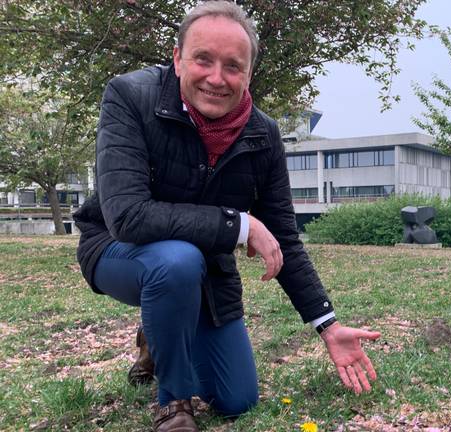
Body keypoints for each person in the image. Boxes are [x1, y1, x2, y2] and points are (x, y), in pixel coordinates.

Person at [73, 2, 380, 431]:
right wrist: (241, 224)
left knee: (236, 399)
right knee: (177, 261)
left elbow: (285, 239)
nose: (217, 78)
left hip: (205, 270)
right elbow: (128, 216)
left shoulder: (263, 134)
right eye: (203, 59)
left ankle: (157, 341)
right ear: (178, 57)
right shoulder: (129, 96)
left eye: (233, 66)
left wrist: (327, 325)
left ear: (249, 73)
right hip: (118, 250)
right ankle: (173, 404)